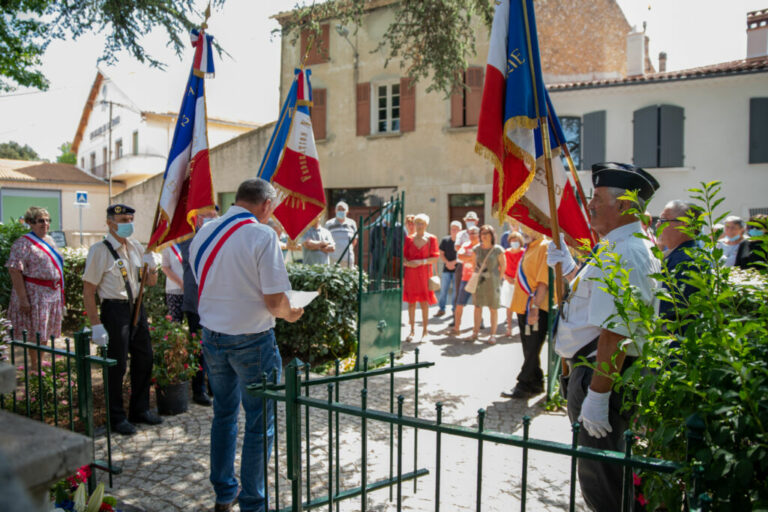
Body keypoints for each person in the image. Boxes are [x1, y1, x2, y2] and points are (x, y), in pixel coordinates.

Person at [547, 162, 661, 511]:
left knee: (605, 486)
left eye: (596, 198)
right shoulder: (616, 246)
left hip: (603, 379)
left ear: (624, 205)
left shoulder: (625, 252)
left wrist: (598, 396)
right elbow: (591, 303)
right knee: (603, 478)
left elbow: (615, 333)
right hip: (593, 374)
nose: (590, 205)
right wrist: (568, 267)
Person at [190, 178, 303, 512]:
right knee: (259, 421)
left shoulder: (205, 231)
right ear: (266, 205)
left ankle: (225, 493)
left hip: (212, 334)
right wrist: (291, 313)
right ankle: (253, 503)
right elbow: (273, 301)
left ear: (238, 199)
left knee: (223, 415)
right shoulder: (261, 234)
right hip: (252, 338)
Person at [82, 204, 162, 436]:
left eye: (130, 219)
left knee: (144, 359)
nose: (128, 223)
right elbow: (88, 292)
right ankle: (116, 417)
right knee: (118, 366)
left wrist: (153, 266)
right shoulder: (100, 250)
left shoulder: (136, 246)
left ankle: (140, 410)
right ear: (109, 222)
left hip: (137, 307)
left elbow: (150, 283)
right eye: (123, 219)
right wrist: (96, 324)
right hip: (115, 311)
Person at [5, 206, 64, 368]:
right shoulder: (23, 243)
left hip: (51, 293)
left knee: (45, 330)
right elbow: (14, 270)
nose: (45, 224)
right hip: (34, 294)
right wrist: (23, 299)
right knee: (34, 332)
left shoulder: (50, 240)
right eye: (40, 221)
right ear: (30, 223)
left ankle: (40, 360)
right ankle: (34, 365)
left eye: (47, 220)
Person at [502, 229, 551, 396]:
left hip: (535, 307)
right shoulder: (530, 247)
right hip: (523, 305)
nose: (525, 232)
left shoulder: (544, 247)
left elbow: (543, 282)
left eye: (529, 228)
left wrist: (535, 308)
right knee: (529, 347)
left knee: (532, 348)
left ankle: (523, 384)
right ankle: (536, 383)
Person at [179, 207, 219, 407]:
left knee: (215, 346)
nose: (213, 219)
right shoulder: (188, 237)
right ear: (196, 218)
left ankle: (214, 386)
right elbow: (194, 257)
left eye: (215, 216)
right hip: (196, 302)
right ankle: (198, 390)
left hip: (215, 300)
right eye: (208, 216)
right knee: (198, 348)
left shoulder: (219, 236)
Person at [657, 200, 701, 324]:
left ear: (683, 224)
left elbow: (665, 308)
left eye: (663, 221)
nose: (657, 226)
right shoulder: (678, 255)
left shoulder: (687, 260)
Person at [403, 214, 439, 342]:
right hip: (411, 275)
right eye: (417, 223)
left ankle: (425, 330)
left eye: (421, 223)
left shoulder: (431, 239)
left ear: (426, 225)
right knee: (411, 303)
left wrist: (420, 262)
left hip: (424, 274)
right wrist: (408, 263)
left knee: (424, 303)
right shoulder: (408, 239)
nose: (419, 226)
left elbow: (435, 258)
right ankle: (412, 330)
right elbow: (404, 257)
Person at [468, 225, 505, 344]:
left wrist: (498, 279)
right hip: (480, 282)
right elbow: (473, 265)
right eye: (482, 233)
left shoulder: (498, 249)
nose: (484, 235)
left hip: (493, 283)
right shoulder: (476, 249)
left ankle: (493, 334)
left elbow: (503, 266)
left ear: (492, 235)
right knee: (477, 307)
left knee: (493, 308)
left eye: (487, 233)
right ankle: (475, 332)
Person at [452, 225, 480, 335]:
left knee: (477, 306)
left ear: (478, 234)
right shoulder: (465, 244)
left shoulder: (481, 247)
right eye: (470, 233)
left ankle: (476, 331)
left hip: (477, 278)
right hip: (465, 278)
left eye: (474, 233)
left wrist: (468, 257)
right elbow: (460, 256)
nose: (471, 235)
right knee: (459, 303)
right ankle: (456, 328)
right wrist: (473, 258)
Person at [502, 231, 525, 337]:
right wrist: (507, 278)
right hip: (509, 282)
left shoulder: (524, 253)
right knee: (509, 306)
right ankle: (509, 327)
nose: (514, 242)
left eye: (516, 240)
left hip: (520, 283)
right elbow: (501, 267)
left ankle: (522, 328)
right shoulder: (506, 253)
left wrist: (518, 279)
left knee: (520, 307)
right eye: (512, 240)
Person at [436, 221, 461, 317]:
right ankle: (441, 309)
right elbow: (441, 253)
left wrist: (453, 263)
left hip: (457, 270)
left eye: (456, 229)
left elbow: (462, 254)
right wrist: (447, 263)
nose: (454, 231)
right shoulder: (445, 240)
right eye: (452, 229)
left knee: (455, 291)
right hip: (446, 269)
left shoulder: (461, 242)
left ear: (460, 230)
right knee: (443, 291)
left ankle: (454, 310)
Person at [326, 201, 358, 267]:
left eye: (343, 209)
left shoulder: (352, 223)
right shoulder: (329, 224)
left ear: (347, 212)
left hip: (348, 258)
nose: (341, 211)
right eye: (339, 209)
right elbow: (326, 240)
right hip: (332, 258)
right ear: (335, 211)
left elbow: (355, 240)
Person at [161, 243, 185, 322]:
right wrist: (181, 284)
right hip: (175, 290)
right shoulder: (168, 245)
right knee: (176, 322)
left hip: (192, 290)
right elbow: (165, 268)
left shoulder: (191, 242)